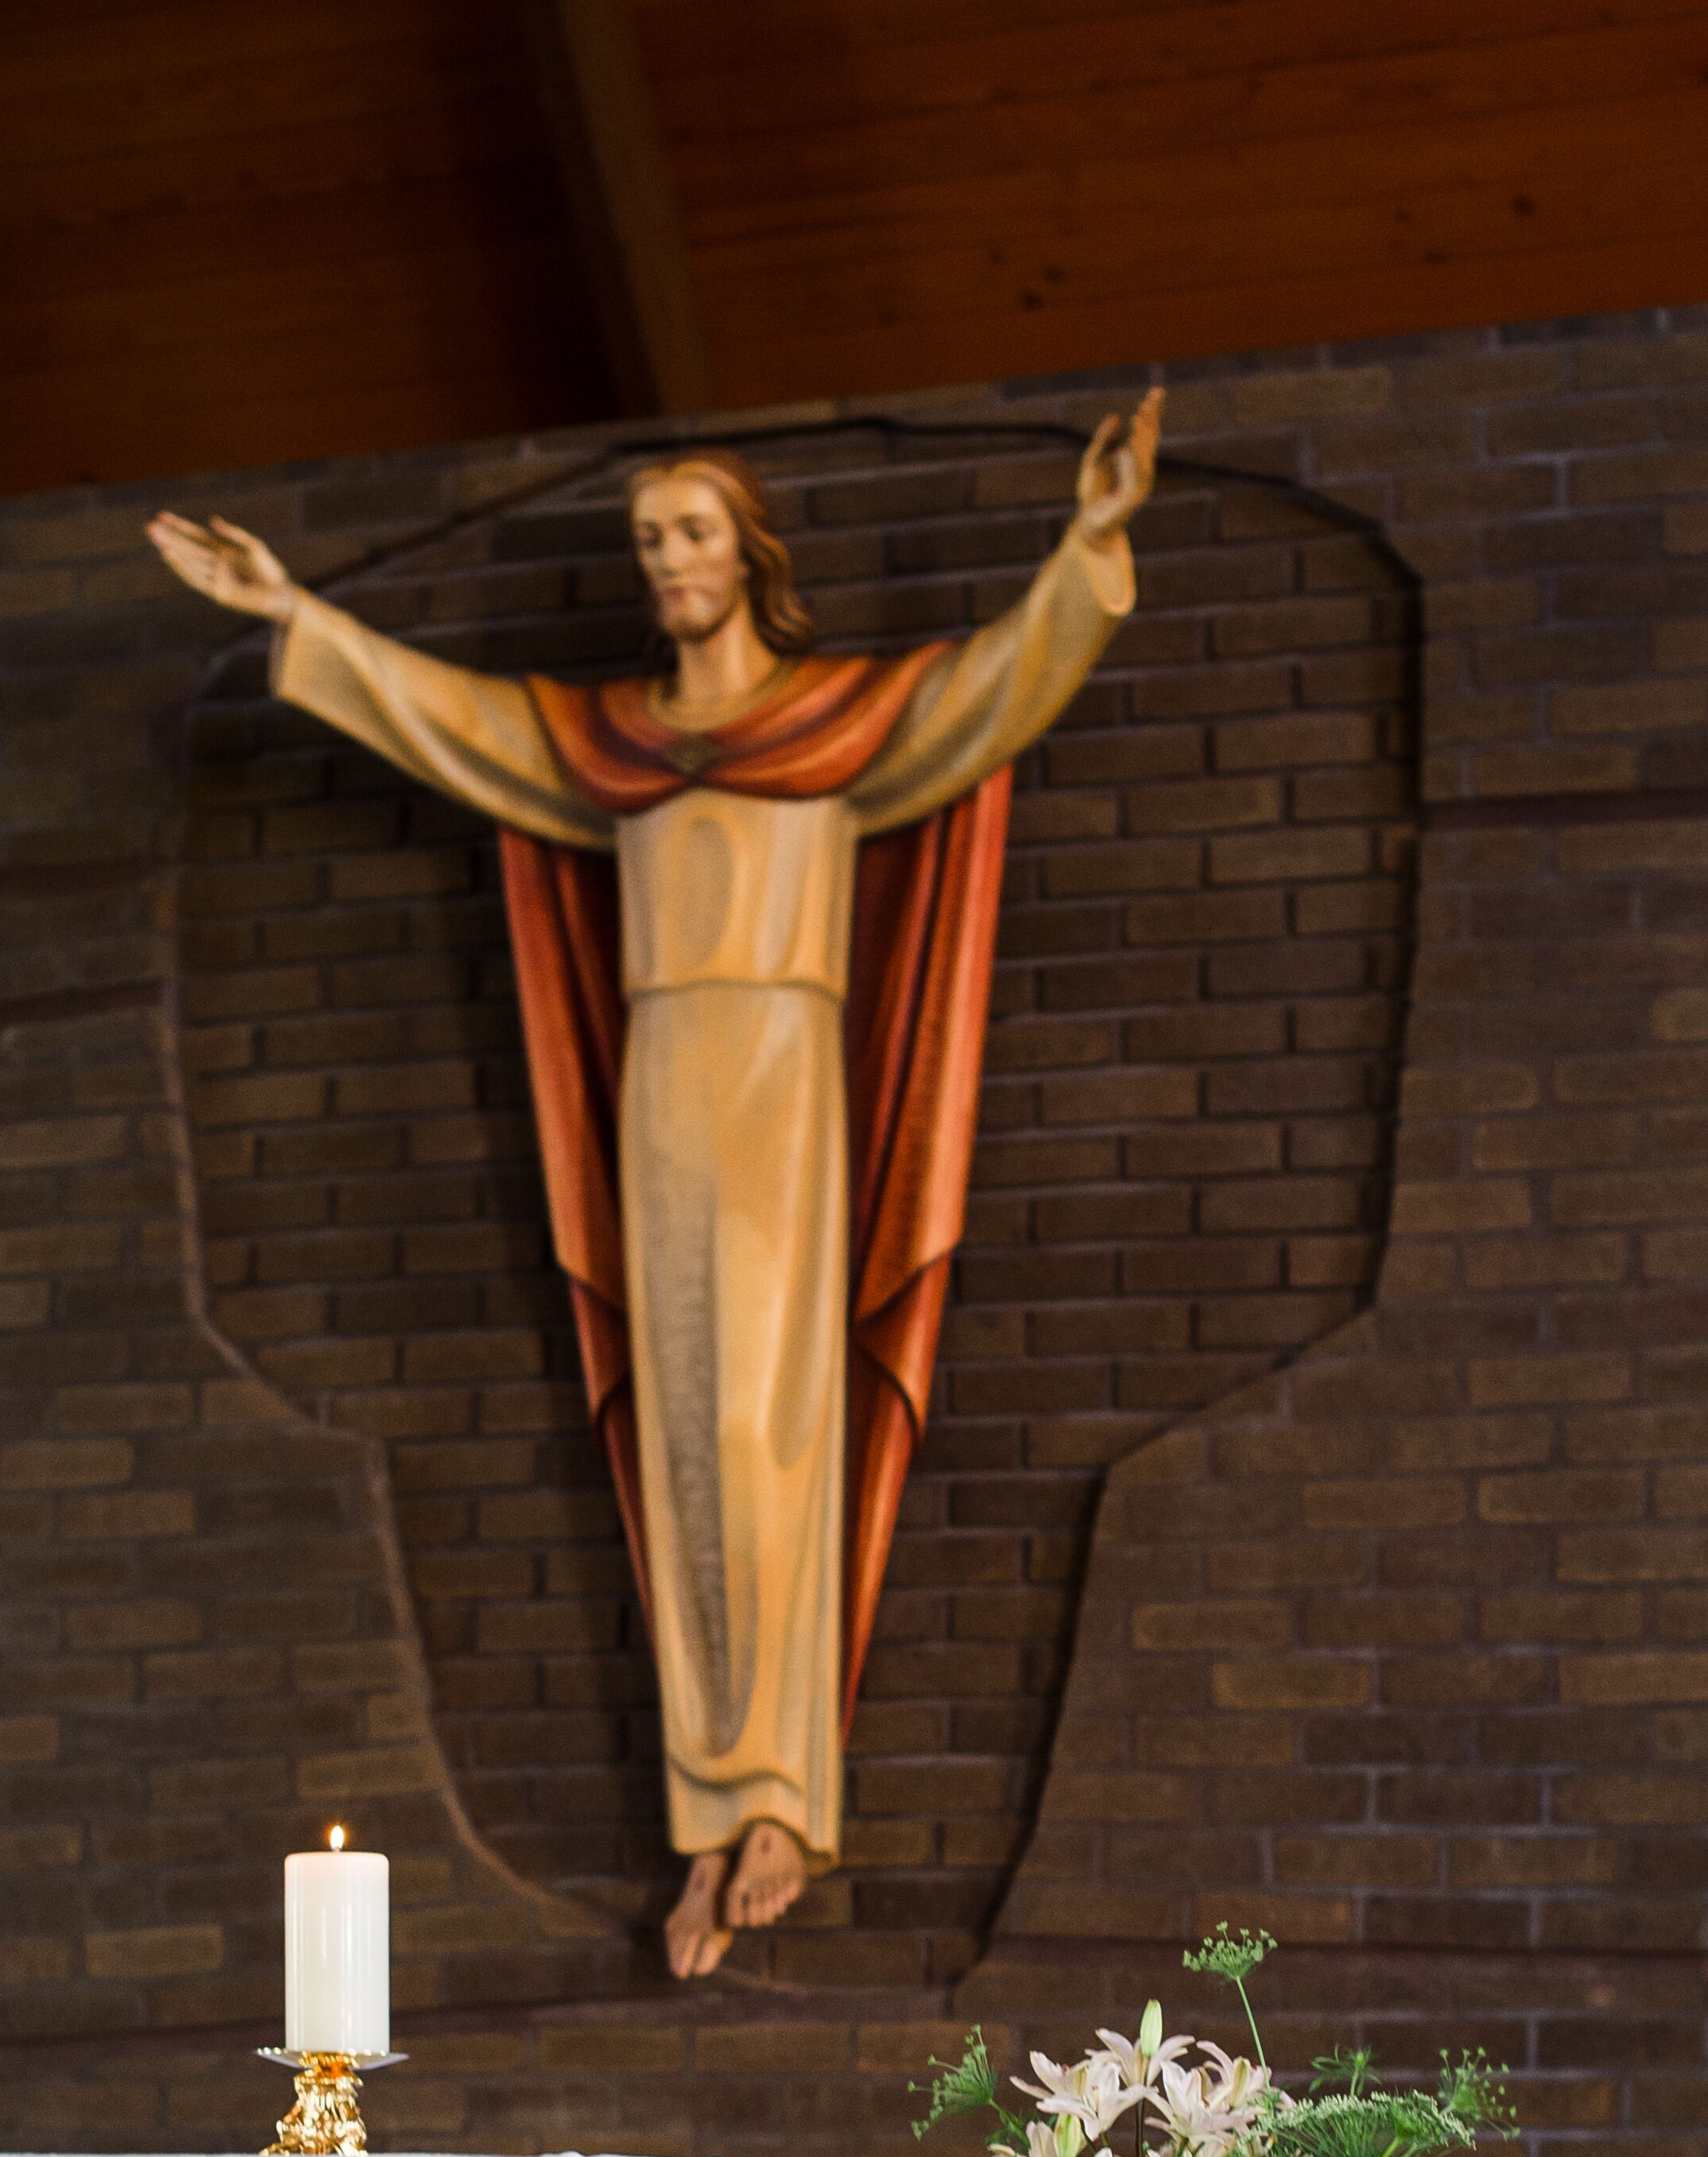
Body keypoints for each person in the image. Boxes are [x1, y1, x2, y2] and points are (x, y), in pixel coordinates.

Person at [150, 393, 1161, 1977]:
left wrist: (1090, 541)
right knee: (685, 1438)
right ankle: (715, 1812)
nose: (667, 557)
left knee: (771, 1424)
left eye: (690, 530)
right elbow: (458, 722)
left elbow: (988, 691)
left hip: (785, 1078)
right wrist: (293, 614)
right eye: (647, 539)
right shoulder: (611, 745)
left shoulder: (837, 725)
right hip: (662, 1086)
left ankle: (783, 1795)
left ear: (747, 552)